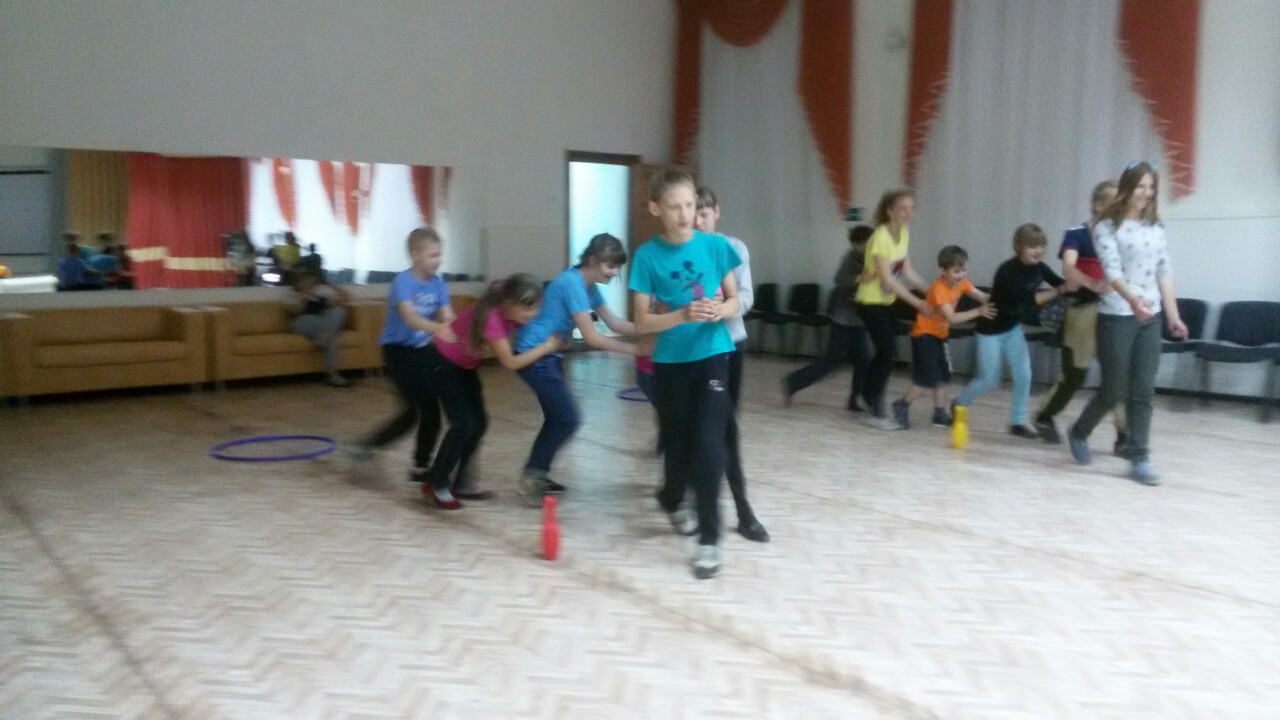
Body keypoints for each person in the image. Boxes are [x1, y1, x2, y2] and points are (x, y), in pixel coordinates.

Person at [629, 169, 742, 580]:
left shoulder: (716, 246)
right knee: (677, 444)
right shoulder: (646, 257)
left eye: (690, 205)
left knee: (710, 446)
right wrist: (681, 315)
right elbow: (642, 322)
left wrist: (720, 310)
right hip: (670, 364)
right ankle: (672, 498)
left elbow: (734, 300)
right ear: (655, 208)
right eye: (674, 207)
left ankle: (709, 540)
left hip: (713, 356)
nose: (684, 214)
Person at [1069, 162, 1187, 485]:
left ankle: (1139, 457)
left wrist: (1173, 315)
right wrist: (1133, 300)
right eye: (1140, 187)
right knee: (1114, 389)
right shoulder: (1107, 227)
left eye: (1151, 187)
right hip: (1117, 315)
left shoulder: (1155, 226)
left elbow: (1164, 269)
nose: (1146, 193)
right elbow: (1112, 271)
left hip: (1150, 317)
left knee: (1143, 390)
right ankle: (1079, 431)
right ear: (1127, 188)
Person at [514, 233, 641, 501]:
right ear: (593, 260)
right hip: (534, 355)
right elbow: (592, 338)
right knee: (567, 418)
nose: (614, 272)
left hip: (549, 355)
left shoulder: (589, 287)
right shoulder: (572, 283)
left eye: (617, 267)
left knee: (558, 418)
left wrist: (653, 330)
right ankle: (532, 477)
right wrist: (637, 350)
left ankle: (536, 473)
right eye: (610, 266)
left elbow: (616, 323)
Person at [423, 274, 561, 509]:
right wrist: (548, 346)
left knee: (478, 423)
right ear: (509, 304)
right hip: (442, 363)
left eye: (536, 307)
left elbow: (505, 285)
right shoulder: (492, 318)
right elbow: (510, 362)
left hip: (463, 366)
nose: (533, 313)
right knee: (463, 424)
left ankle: (461, 483)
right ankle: (436, 483)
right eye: (528, 308)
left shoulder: (504, 297)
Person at [692, 186, 768, 543]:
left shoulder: (734, 248)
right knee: (703, 428)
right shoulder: (677, 252)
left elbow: (746, 296)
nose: (697, 220)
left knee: (725, 427)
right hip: (691, 351)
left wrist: (724, 308)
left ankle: (740, 509)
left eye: (704, 213)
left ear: (716, 212)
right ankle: (720, 504)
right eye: (692, 213)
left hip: (729, 344)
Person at [351, 228, 455, 482]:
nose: (438, 260)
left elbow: (448, 317)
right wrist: (439, 329)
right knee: (413, 412)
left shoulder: (439, 284)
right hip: (397, 353)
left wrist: (459, 331)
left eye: (440, 254)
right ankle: (367, 447)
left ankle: (419, 467)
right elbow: (410, 318)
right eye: (433, 255)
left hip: (423, 352)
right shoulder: (403, 282)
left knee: (429, 412)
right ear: (415, 255)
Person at [1033, 181, 1127, 449]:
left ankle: (1125, 433)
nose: (1118, 208)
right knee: (1075, 373)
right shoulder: (1077, 233)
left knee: (1118, 374)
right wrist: (1094, 284)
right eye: (1112, 202)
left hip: (1115, 313)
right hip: (1083, 312)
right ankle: (1044, 416)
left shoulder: (1122, 236)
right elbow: (1069, 269)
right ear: (1097, 204)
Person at [953, 224, 1067, 438]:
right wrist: (1060, 290)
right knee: (989, 379)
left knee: (1024, 375)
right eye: (1032, 246)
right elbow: (1029, 300)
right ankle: (960, 403)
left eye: (1041, 245)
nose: (1038, 250)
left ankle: (1017, 422)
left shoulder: (1040, 268)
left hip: (1012, 328)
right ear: (1019, 247)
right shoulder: (1006, 271)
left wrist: (1078, 285)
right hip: (990, 330)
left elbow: (1061, 283)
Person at [891, 246, 993, 429]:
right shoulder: (939, 289)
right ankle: (902, 405)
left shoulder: (962, 283)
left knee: (943, 377)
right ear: (943, 271)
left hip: (940, 336)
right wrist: (979, 312)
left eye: (963, 270)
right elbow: (952, 318)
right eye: (956, 271)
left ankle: (939, 414)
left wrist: (998, 299)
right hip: (924, 336)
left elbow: (982, 296)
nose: (961, 275)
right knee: (925, 380)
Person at [856, 190, 933, 430]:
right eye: (902, 208)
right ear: (890, 211)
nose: (908, 213)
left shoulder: (904, 233)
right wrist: (918, 303)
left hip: (887, 301)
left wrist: (931, 293)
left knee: (887, 352)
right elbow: (888, 279)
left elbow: (908, 271)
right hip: (870, 302)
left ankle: (866, 394)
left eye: (911, 208)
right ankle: (872, 402)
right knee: (888, 351)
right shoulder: (880, 236)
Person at [783, 225, 873, 411]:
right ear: (858, 244)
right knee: (830, 362)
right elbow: (839, 280)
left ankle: (855, 400)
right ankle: (793, 381)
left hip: (857, 320)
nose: (872, 245)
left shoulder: (869, 258)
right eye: (868, 242)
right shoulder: (851, 258)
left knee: (863, 362)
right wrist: (859, 278)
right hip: (843, 321)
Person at [286, 269, 352, 387]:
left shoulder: (318, 298)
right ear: (298, 282)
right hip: (303, 323)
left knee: (339, 311)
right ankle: (326, 336)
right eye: (306, 281)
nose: (310, 285)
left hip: (321, 326)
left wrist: (330, 284)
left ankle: (333, 375)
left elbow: (346, 297)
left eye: (312, 283)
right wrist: (303, 297)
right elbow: (295, 311)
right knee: (316, 323)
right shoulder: (291, 295)